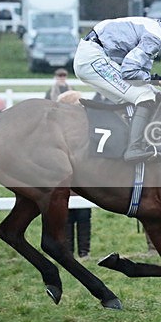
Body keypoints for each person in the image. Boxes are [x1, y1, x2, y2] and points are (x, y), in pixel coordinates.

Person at [73, 0, 161, 163]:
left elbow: (140, 73)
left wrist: (158, 85)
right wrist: (160, 80)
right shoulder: (156, 36)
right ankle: (134, 148)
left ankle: (134, 144)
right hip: (93, 58)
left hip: (95, 56)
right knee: (145, 96)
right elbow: (129, 71)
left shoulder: (157, 32)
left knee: (154, 97)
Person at [55, 90, 92, 257]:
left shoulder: (85, 127)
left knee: (82, 214)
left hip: (81, 177)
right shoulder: (59, 130)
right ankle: (70, 252)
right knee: (67, 215)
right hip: (68, 177)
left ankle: (83, 252)